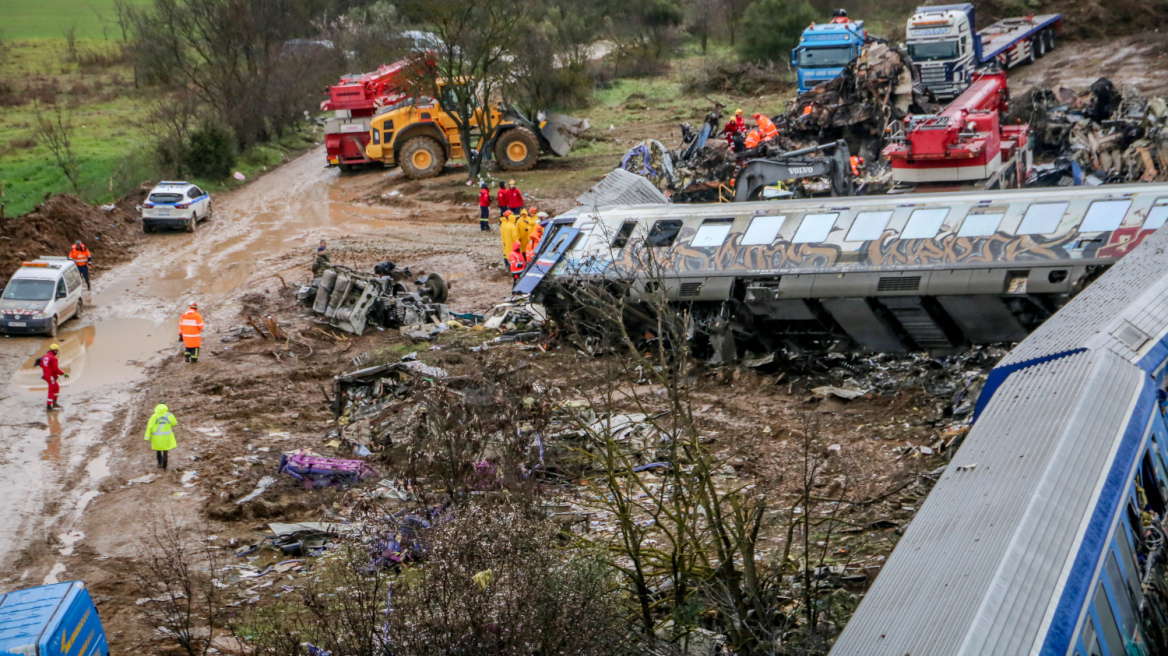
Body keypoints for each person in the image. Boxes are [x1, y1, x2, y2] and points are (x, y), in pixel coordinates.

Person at [144, 404, 178, 470]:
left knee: (158, 450)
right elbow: (174, 423)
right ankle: (165, 466)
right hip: (166, 437)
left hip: (157, 438)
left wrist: (147, 437)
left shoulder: (154, 416)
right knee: (165, 451)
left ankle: (159, 463)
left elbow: (149, 427)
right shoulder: (169, 415)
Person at [37, 343, 68, 410]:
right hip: (50, 376)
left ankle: (54, 402)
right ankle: (49, 406)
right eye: (57, 351)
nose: (57, 352)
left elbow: (41, 364)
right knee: (52, 390)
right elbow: (55, 369)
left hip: (46, 375)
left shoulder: (45, 356)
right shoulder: (54, 358)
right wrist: (63, 374)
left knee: (56, 387)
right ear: (55, 351)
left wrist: (46, 370)